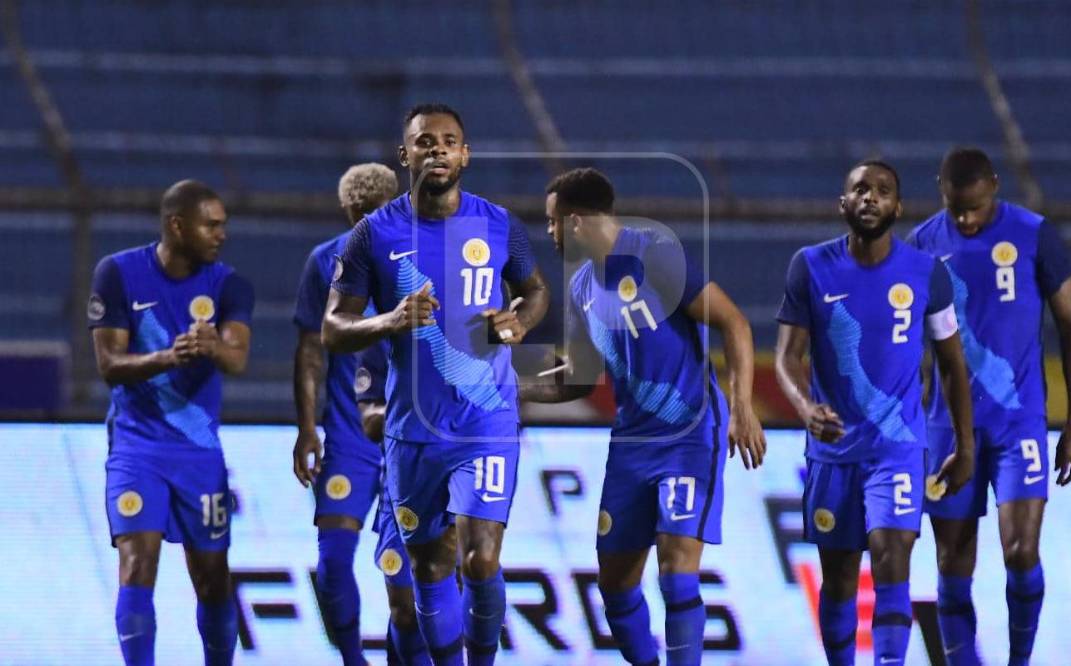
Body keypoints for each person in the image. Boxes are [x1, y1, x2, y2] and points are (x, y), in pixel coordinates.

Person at [322, 103, 550, 666]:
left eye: (449, 141)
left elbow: (537, 290)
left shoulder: (499, 225)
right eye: (425, 142)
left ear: (466, 154)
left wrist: (519, 320)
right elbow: (333, 328)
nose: (438, 150)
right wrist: (390, 321)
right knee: (429, 567)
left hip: (485, 420)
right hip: (413, 431)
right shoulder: (371, 235)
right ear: (405, 155)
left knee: (481, 560)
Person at [521, 167, 766, 665]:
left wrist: (742, 407)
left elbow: (733, 322)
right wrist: (511, 387)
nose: (548, 234)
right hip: (631, 445)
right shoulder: (582, 287)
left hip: (689, 434)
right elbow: (579, 379)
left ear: (577, 221)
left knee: (677, 573)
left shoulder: (653, 254)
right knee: (615, 587)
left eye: (552, 222)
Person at [774, 161, 975, 665]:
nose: (870, 198)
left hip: (898, 448)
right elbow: (785, 357)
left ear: (898, 207)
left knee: (892, 558)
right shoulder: (810, 266)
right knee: (840, 577)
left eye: (883, 191)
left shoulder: (928, 274)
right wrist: (805, 407)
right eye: (860, 189)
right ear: (843, 203)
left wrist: (964, 445)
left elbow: (951, 364)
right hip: (833, 451)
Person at [907, 147, 1071, 666]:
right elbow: (909, 337)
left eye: (975, 208)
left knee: (1021, 550)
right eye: (955, 208)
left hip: (1018, 422)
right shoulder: (922, 244)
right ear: (941, 191)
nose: (965, 219)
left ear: (995, 188)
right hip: (948, 427)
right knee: (952, 561)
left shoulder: (1033, 234)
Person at [89, 179, 254, 666]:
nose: (221, 234)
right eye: (211, 224)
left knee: (211, 576)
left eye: (223, 224)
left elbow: (238, 358)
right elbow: (108, 366)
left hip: (198, 454)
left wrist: (213, 348)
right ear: (177, 226)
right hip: (136, 450)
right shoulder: (117, 273)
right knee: (137, 563)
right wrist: (168, 356)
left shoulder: (229, 284)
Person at [293, 163, 429, 665]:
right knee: (332, 566)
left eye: (375, 214)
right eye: (358, 217)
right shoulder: (325, 261)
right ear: (347, 214)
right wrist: (307, 428)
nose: (365, 226)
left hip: (410, 439)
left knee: (405, 578)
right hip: (349, 437)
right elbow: (311, 349)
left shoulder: (424, 259)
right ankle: (352, 659)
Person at [356, 340, 432, 666]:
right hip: (403, 483)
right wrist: (410, 409)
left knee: (448, 595)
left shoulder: (474, 326)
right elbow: (370, 421)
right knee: (403, 605)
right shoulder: (386, 336)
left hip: (462, 477)